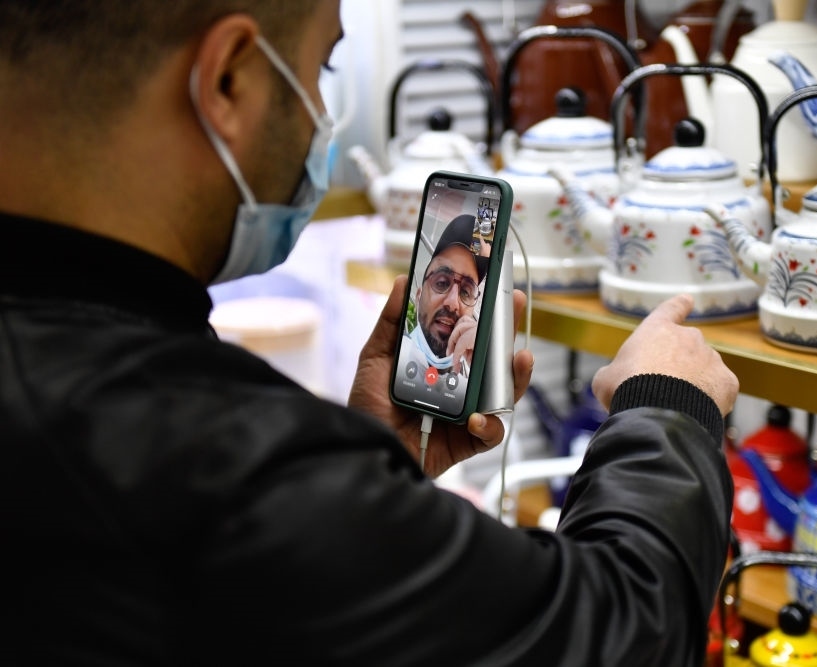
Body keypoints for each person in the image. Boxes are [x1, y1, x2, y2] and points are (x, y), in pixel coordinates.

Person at [0, 1, 739, 666]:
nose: (322, 113)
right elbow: (621, 631)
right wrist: (667, 406)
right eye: (321, 68)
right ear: (228, 79)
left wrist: (373, 485)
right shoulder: (223, 458)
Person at [395, 213, 487, 400]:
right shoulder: (391, 363)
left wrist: (485, 376)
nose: (452, 303)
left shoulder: (473, 391)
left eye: (466, 291)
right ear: (418, 297)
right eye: (442, 282)